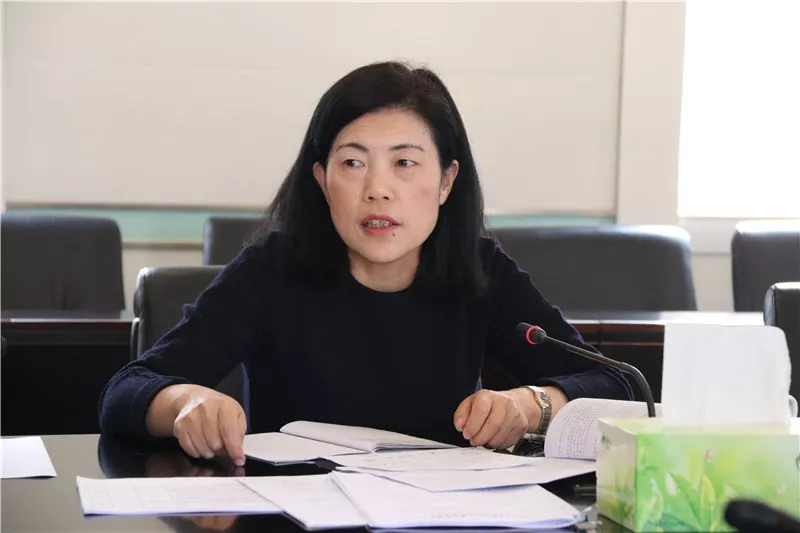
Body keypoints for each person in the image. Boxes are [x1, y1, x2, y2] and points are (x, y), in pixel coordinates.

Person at [99, 61, 633, 467]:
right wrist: (183, 401)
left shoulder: (479, 271)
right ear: (321, 180)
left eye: (405, 163)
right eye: (353, 162)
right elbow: (128, 388)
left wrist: (534, 404)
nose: (378, 189)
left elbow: (618, 386)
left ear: (446, 181)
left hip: (436, 516)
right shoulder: (272, 269)